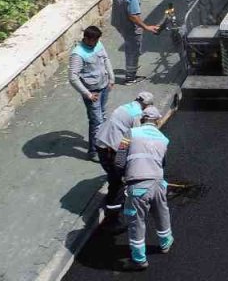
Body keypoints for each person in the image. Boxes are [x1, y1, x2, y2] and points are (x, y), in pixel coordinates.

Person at [117, 106, 173, 271]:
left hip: (138, 187)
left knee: (136, 222)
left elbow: (119, 160)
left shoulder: (130, 133)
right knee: (162, 213)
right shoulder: (164, 139)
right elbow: (163, 163)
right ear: (157, 121)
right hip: (159, 184)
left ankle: (139, 259)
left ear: (142, 119)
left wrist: (122, 175)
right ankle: (166, 243)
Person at [95, 90, 155, 227]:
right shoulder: (137, 115)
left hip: (102, 143)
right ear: (147, 106)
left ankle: (115, 207)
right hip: (109, 150)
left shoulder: (125, 107)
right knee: (118, 184)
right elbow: (138, 139)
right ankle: (112, 221)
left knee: (115, 178)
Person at [68, 26, 115, 160]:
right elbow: (73, 77)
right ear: (86, 38)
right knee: (97, 122)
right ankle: (95, 151)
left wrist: (111, 78)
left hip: (104, 87)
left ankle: (101, 145)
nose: (96, 43)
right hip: (93, 92)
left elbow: (106, 59)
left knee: (102, 116)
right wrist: (87, 94)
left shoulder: (98, 44)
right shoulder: (78, 54)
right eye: (94, 40)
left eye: (97, 40)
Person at [112, 0, 160, 84]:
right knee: (133, 50)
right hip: (128, 26)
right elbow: (133, 17)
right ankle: (130, 78)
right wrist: (146, 27)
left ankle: (131, 67)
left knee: (129, 44)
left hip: (117, 21)